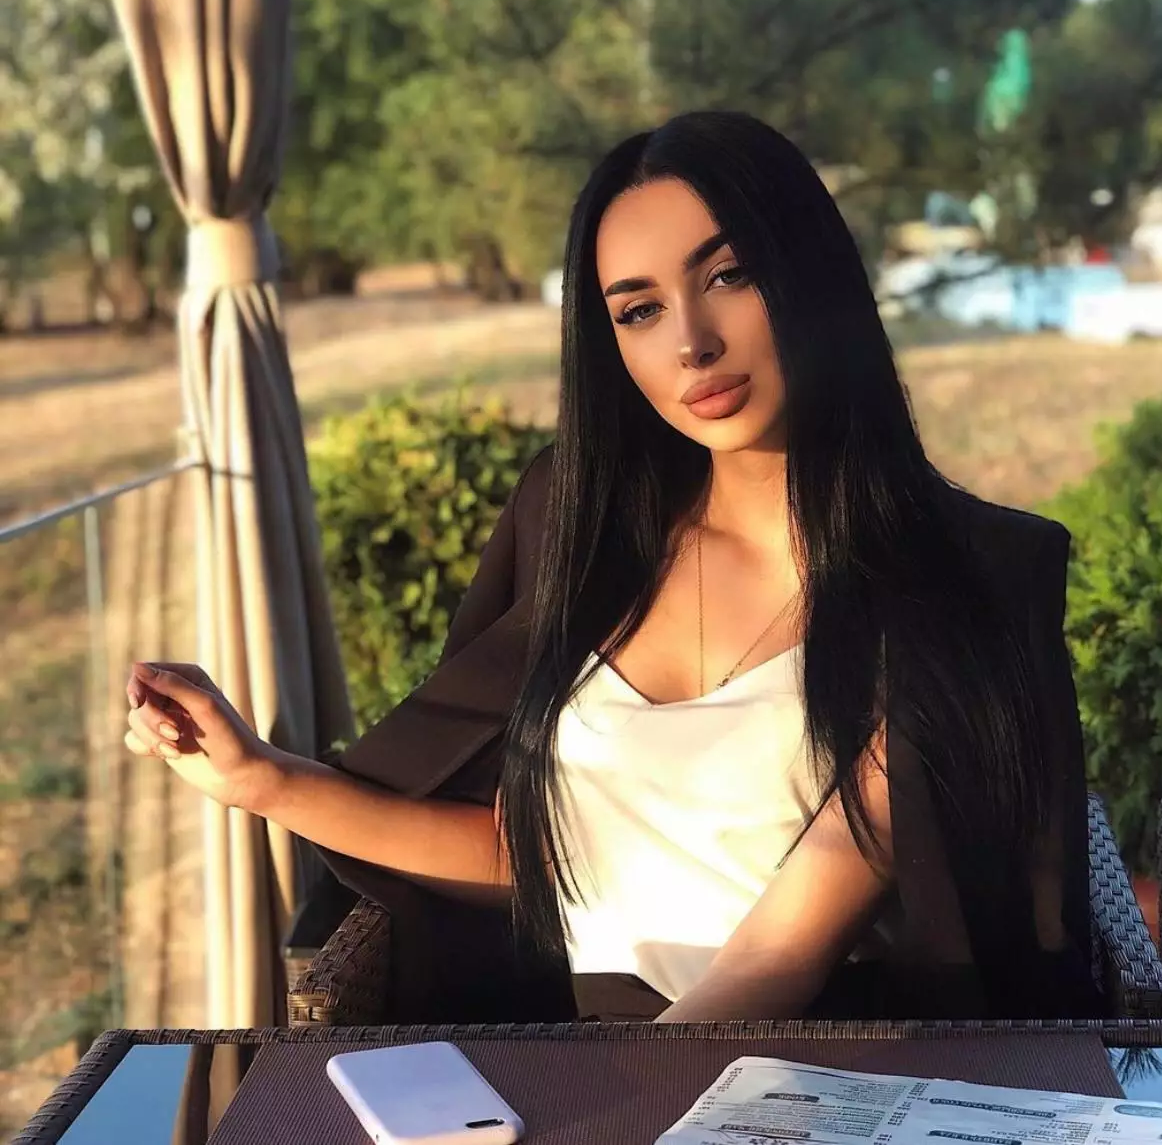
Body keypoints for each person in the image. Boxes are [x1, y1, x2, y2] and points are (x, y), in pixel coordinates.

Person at [123, 110, 1102, 1023]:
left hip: (821, 1068)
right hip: (600, 1049)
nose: (691, 344)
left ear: (813, 276)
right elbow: (535, 855)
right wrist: (262, 779)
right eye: (639, 311)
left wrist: (626, 1099)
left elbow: (781, 953)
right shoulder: (578, 524)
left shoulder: (960, 579)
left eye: (730, 275)